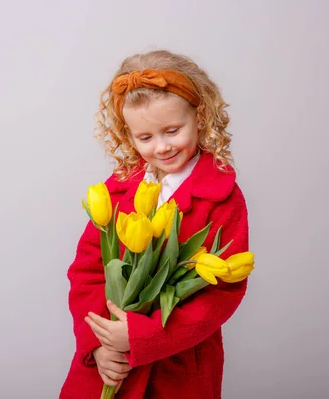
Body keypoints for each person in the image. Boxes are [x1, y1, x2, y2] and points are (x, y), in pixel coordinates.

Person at [60, 50, 250, 399]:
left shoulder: (221, 196)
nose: (161, 147)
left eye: (172, 131)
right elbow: (87, 273)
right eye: (145, 137)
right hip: (109, 363)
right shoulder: (117, 190)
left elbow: (222, 293)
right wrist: (99, 346)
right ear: (127, 134)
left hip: (176, 367)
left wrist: (141, 337)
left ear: (200, 116)